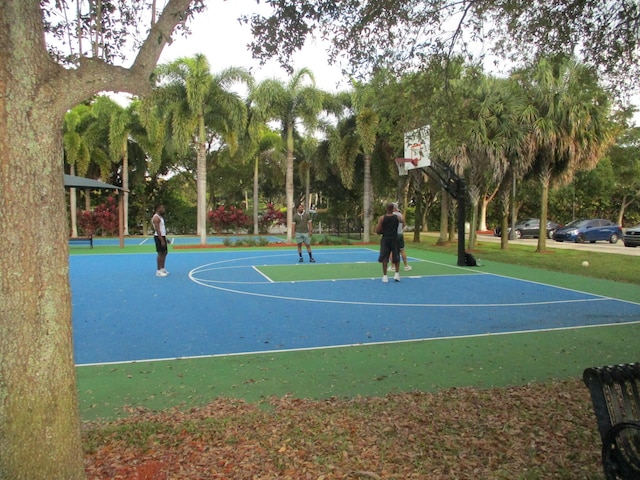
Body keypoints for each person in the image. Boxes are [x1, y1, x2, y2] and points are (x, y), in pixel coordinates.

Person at [375, 202, 400, 282]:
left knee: (385, 257)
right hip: (394, 238)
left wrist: (380, 231)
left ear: (386, 209)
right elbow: (403, 222)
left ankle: (385, 276)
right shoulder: (397, 217)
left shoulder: (382, 218)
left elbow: (378, 229)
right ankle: (397, 274)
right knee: (396, 255)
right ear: (393, 209)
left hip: (386, 239)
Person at [388, 202, 412, 272]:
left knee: (392, 251)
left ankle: (393, 267)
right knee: (402, 250)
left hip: (392, 235)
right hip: (400, 234)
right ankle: (406, 266)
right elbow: (404, 225)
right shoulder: (401, 215)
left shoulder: (390, 215)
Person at [152, 204, 169, 277]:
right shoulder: (156, 218)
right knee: (160, 253)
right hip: (158, 237)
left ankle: (162, 268)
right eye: (162, 208)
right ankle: (158, 271)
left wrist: (165, 239)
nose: (163, 209)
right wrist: (161, 240)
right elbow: (157, 229)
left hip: (162, 236)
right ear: (158, 209)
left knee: (165, 252)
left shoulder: (160, 217)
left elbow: (162, 229)